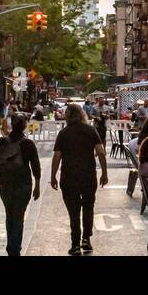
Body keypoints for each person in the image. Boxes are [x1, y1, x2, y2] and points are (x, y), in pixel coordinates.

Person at [50, 103, 108, 255]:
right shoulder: (90, 130)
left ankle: (75, 244)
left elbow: (57, 157)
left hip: (68, 177)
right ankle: (86, 240)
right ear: (82, 114)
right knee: (88, 207)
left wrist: (53, 176)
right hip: (88, 176)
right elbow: (101, 152)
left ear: (67, 116)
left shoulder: (63, 133)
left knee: (73, 211)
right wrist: (104, 173)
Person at [0, 114, 42, 256]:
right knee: (18, 217)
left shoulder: (2, 142)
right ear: (25, 126)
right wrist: (37, 185)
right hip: (23, 185)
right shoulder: (28, 144)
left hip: (5, 185)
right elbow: (36, 167)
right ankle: (15, 249)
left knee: (9, 215)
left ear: (12, 126)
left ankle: (10, 248)